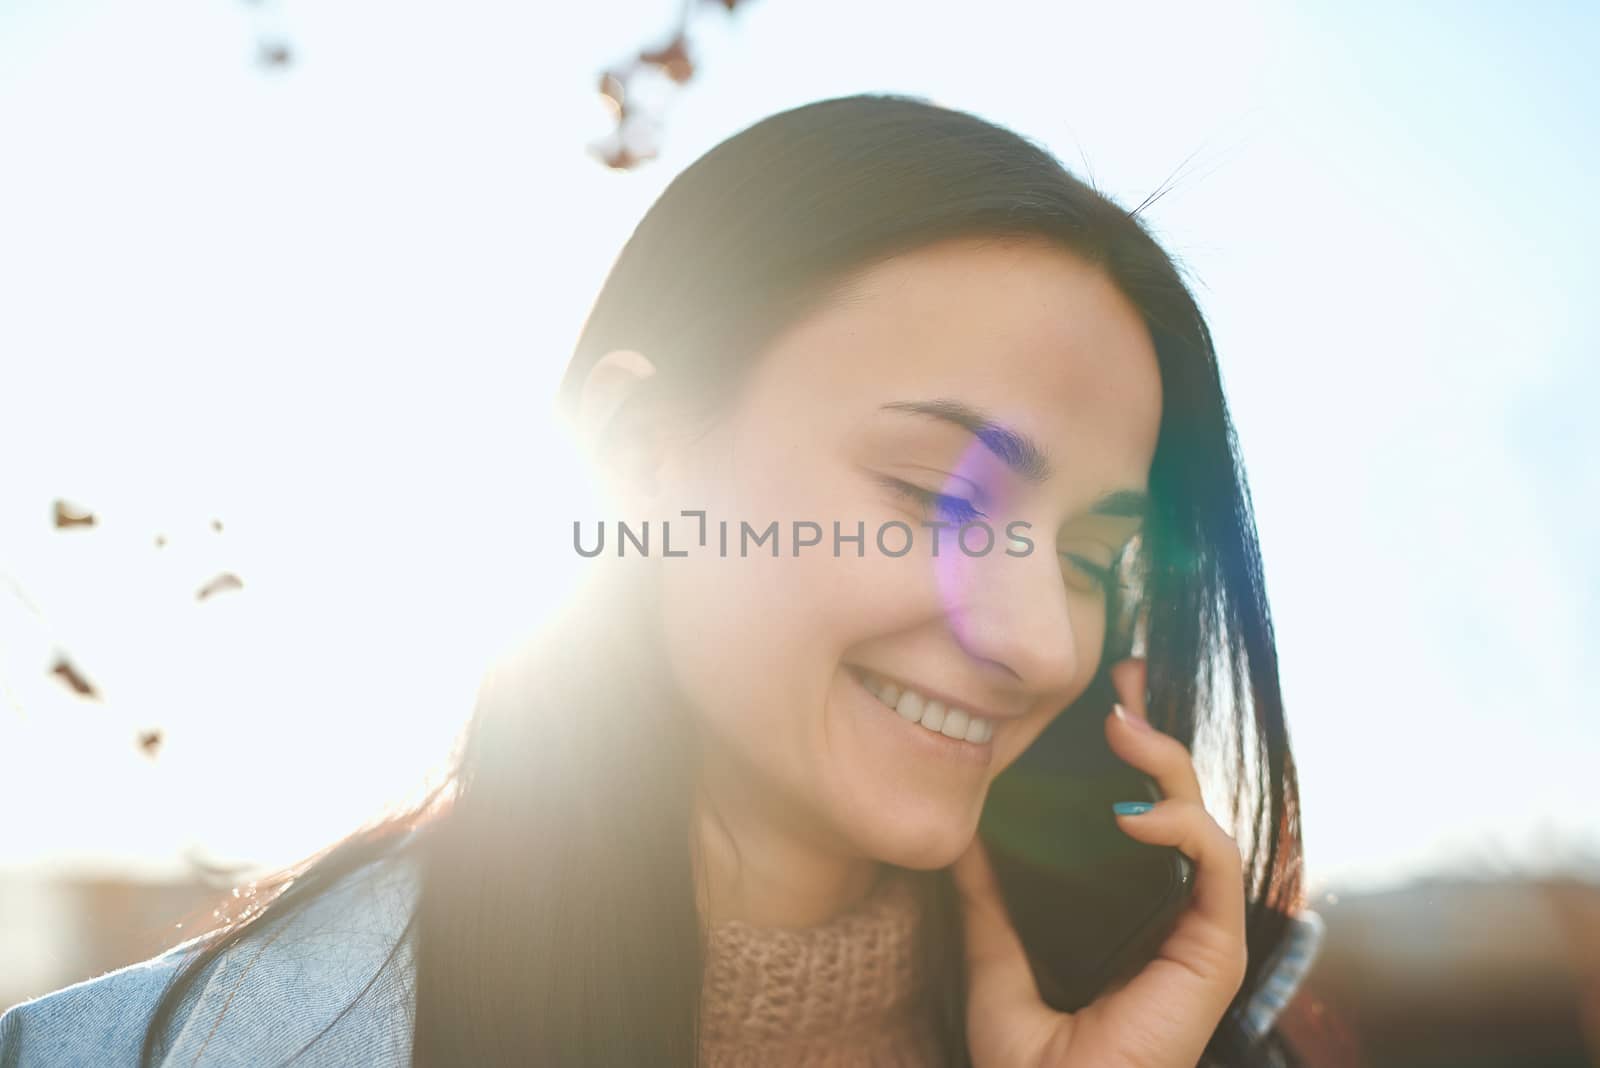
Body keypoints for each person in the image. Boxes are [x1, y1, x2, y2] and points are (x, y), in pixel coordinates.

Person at [0, 93, 1323, 1067]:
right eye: (938, 499)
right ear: (637, 457)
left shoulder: (1170, 1032)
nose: (1040, 642)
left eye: (1099, 560)